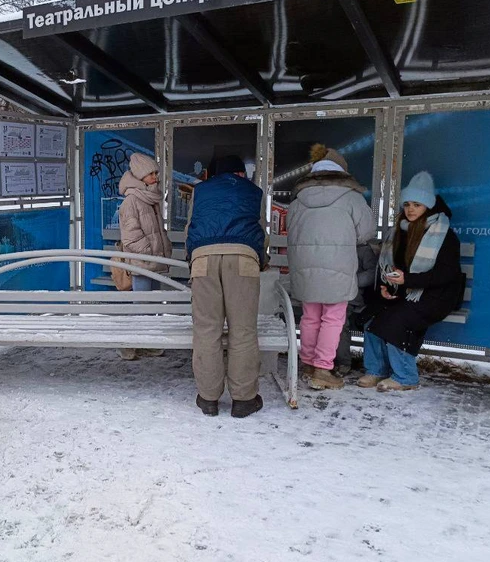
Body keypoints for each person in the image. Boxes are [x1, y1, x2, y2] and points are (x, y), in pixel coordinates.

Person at [360, 172, 463, 391]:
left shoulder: (443, 233)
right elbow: (392, 267)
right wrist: (387, 288)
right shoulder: (399, 231)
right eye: (407, 204)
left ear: (428, 205)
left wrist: (408, 280)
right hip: (406, 291)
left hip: (436, 296)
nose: (410, 209)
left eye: (417, 204)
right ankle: (376, 370)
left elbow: (447, 275)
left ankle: (406, 377)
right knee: (372, 319)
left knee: (396, 321)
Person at [286, 144, 376, 390]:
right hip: (338, 265)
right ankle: (323, 369)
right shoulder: (352, 197)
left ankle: (307, 363)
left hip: (304, 267)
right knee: (333, 318)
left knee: (311, 316)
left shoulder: (297, 200)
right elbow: (365, 232)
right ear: (341, 173)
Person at [185, 153, 266, 418]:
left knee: (207, 330)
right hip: (242, 257)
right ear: (241, 173)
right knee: (242, 330)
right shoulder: (253, 192)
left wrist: (192, 258)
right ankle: (243, 400)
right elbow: (258, 229)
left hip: (203, 258)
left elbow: (191, 228)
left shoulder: (201, 191)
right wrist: (260, 259)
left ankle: (208, 398)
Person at [117, 152, 172, 360]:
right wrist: (151, 251)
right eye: (151, 173)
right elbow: (131, 237)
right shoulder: (132, 200)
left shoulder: (150, 197)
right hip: (143, 262)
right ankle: (130, 344)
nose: (155, 177)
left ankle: (148, 342)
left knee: (152, 305)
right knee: (142, 306)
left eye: (156, 172)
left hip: (154, 261)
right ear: (140, 176)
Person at [334, 241, 380, 376]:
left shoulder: (364, 250)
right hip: (332, 292)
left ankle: (343, 362)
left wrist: (351, 282)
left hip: (352, 296)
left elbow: (372, 273)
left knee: (339, 322)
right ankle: (326, 360)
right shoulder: (336, 245)